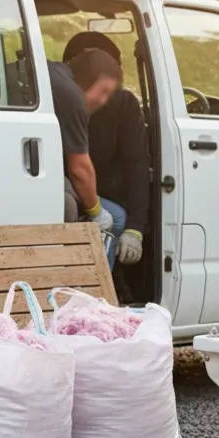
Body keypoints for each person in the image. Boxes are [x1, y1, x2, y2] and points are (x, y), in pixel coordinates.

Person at [63, 31, 150, 270]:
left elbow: (137, 166)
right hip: (65, 188)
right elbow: (78, 167)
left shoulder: (123, 106)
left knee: (117, 218)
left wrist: (136, 228)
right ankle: (99, 298)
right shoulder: (64, 98)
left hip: (90, 193)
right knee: (113, 218)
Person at [50, 49, 121, 241]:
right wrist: (97, 212)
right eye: (103, 91)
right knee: (117, 217)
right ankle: (99, 272)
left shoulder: (53, 72)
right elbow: (79, 169)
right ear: (89, 79)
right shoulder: (72, 98)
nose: (103, 101)